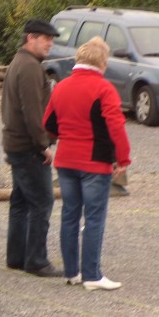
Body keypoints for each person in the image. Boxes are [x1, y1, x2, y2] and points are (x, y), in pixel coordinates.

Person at [43, 36, 131, 290]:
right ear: (102, 63)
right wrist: (123, 159)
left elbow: (48, 123)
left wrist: (67, 137)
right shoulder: (104, 89)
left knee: (70, 215)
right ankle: (92, 275)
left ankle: (72, 272)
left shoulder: (60, 86)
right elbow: (116, 126)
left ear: (78, 60)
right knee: (94, 219)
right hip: (94, 164)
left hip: (66, 160)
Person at [0, 19, 63, 277]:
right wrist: (43, 145)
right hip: (27, 146)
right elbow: (32, 112)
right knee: (42, 201)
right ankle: (36, 260)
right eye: (46, 38)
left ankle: (17, 257)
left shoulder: (23, 63)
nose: (50, 43)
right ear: (31, 38)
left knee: (21, 201)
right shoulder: (28, 67)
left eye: (51, 39)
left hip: (17, 143)